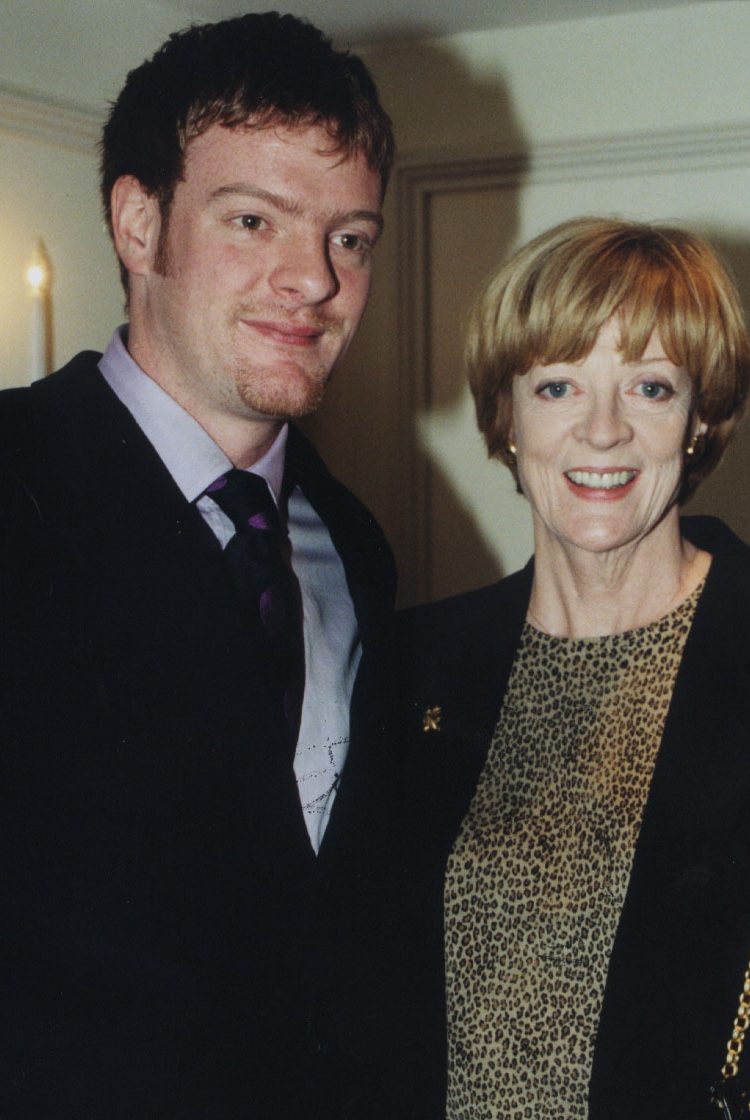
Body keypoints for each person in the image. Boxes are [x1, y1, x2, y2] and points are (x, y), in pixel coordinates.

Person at [0, 14, 419, 1119]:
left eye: (350, 238)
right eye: (254, 221)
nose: (314, 280)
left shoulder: (356, 545)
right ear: (139, 224)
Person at [396, 217, 750, 1119]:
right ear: (507, 416)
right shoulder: (413, 665)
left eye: (650, 386)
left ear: (699, 417)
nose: (603, 431)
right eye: (558, 386)